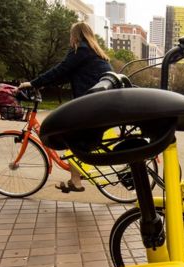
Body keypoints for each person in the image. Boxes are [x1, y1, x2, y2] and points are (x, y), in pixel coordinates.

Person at [17, 22, 112, 193]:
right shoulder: (95, 53)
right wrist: (43, 84)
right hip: (100, 104)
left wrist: (32, 83)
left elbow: (59, 70)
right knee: (74, 136)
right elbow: (66, 75)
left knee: (69, 133)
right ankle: (74, 179)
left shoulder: (81, 50)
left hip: (90, 105)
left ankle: (76, 180)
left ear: (75, 36)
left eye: (71, 35)